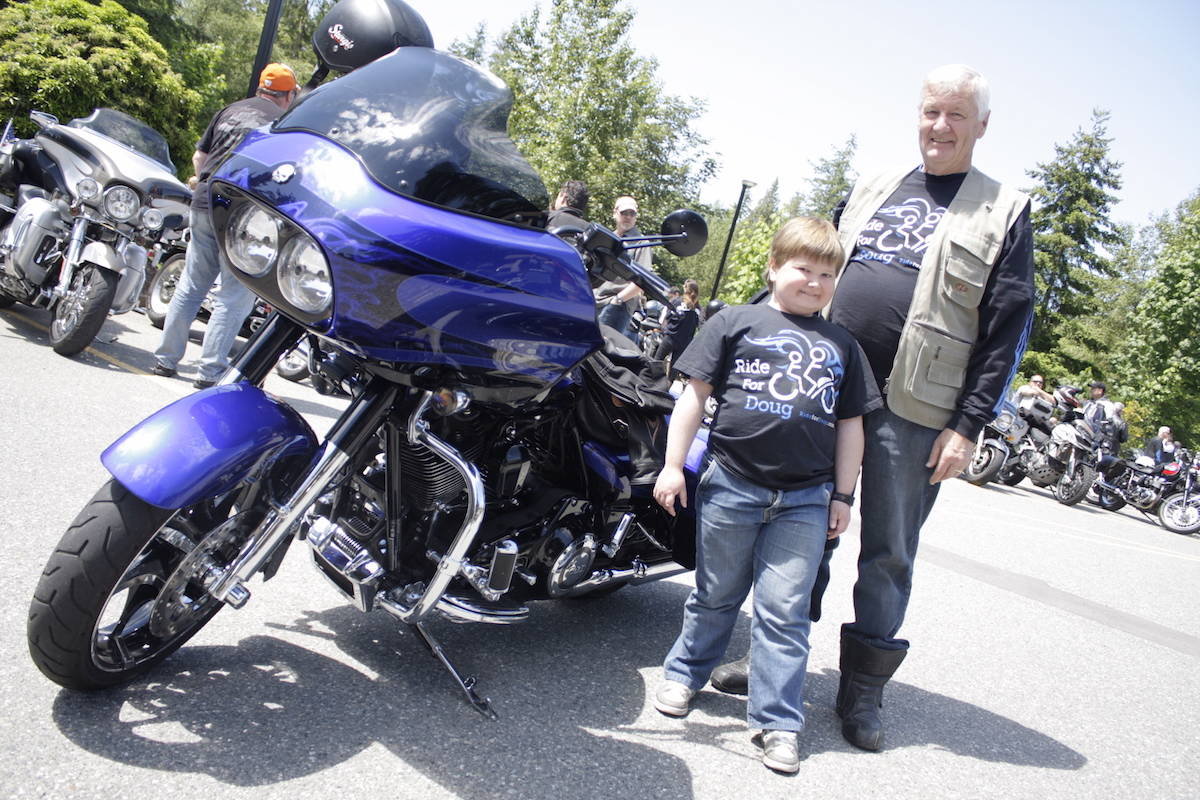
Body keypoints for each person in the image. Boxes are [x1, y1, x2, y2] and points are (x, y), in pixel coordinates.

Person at [710, 64, 1035, 753]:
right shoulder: (872, 187)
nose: (939, 126)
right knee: (801, 530)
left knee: (887, 550)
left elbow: (1006, 327)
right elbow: (809, 267)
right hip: (821, 389)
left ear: (981, 125)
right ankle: (776, 663)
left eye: (955, 115)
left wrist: (968, 425)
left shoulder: (1004, 208)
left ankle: (863, 690)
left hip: (918, 406)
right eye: (930, 112)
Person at [651, 218, 879, 773]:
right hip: (732, 483)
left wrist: (843, 496)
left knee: (785, 613)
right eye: (804, 268)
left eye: (829, 274)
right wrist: (672, 466)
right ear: (774, 268)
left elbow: (852, 426)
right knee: (715, 593)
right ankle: (684, 674)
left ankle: (777, 721)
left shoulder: (842, 345)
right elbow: (692, 396)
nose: (816, 282)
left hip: (805, 499)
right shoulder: (735, 321)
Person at [152, 64, 299, 389]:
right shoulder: (281, 125)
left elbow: (198, 158)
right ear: (288, 95)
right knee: (234, 296)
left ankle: (165, 359)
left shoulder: (229, 110)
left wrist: (204, 180)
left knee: (191, 284)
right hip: (242, 216)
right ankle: (210, 371)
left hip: (205, 202)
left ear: (262, 87)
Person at [595, 195, 653, 339]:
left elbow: (643, 281)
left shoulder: (641, 243)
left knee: (603, 354)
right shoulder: (607, 238)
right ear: (615, 213)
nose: (628, 217)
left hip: (618, 307)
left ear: (636, 217)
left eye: (632, 213)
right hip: (595, 302)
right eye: (624, 213)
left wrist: (618, 300)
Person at [654, 278, 702, 374]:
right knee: (674, 369)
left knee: (657, 360)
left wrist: (664, 330)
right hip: (684, 342)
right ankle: (668, 386)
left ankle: (650, 380)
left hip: (671, 337)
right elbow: (698, 326)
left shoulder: (677, 302)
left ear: (685, 288)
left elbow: (666, 318)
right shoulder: (698, 308)